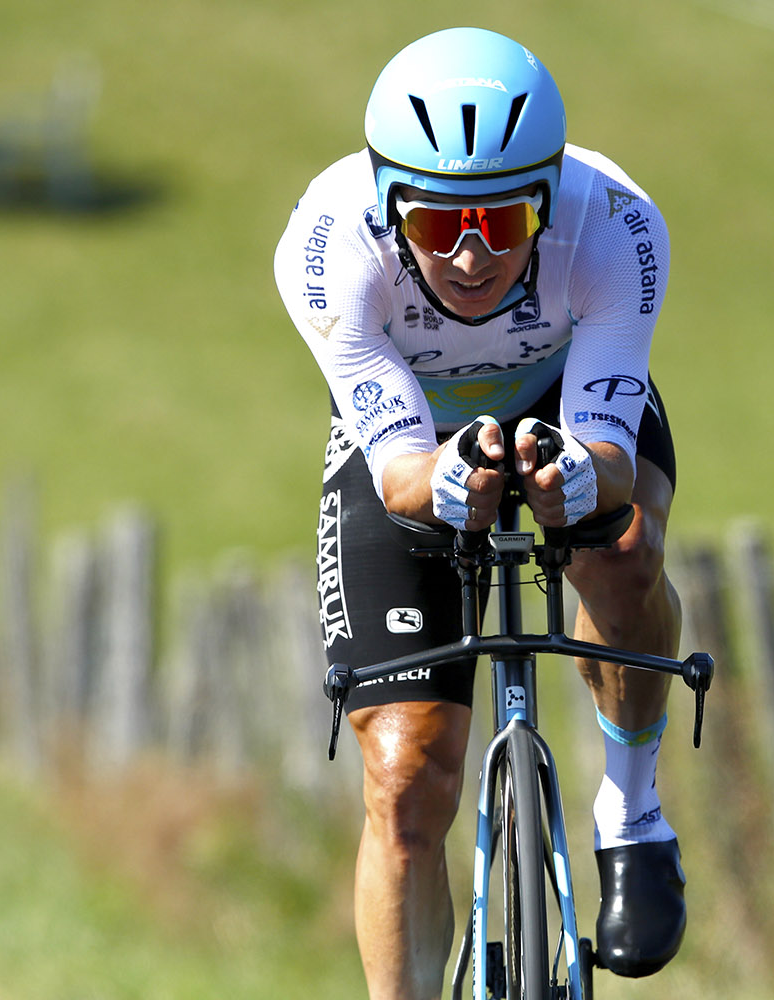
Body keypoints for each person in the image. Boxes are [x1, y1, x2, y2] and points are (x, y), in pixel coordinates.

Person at [274, 27, 686, 999]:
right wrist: (450, 480)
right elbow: (399, 473)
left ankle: (631, 811)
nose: (468, 257)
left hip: (562, 402)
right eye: (434, 226)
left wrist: (579, 480)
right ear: (386, 209)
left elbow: (614, 460)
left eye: (502, 226)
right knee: (405, 769)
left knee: (624, 554)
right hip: (413, 434)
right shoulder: (328, 247)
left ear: (545, 204)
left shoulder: (617, 224)